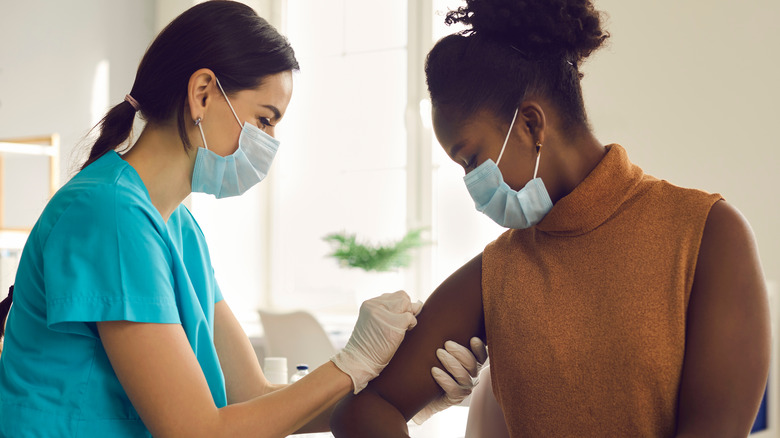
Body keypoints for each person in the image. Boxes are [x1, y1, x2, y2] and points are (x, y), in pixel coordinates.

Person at [0, 2, 485, 436]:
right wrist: (351, 363)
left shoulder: (178, 229)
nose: (270, 142)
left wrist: (403, 398)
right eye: (265, 119)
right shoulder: (108, 215)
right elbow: (195, 430)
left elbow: (247, 397)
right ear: (204, 94)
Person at [329, 0, 770, 436]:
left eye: (472, 161)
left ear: (531, 125)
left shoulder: (707, 235)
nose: (472, 185)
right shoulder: (500, 271)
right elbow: (365, 410)